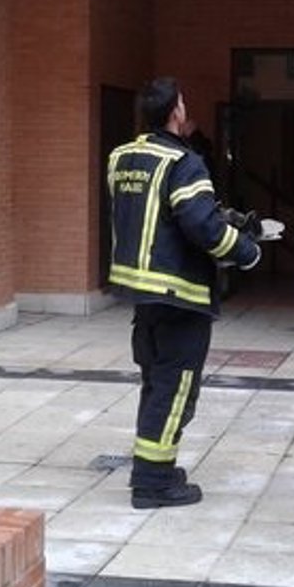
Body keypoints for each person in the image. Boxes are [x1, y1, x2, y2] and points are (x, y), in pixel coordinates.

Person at [107, 77, 262, 509]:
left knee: (155, 383)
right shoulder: (184, 161)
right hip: (180, 293)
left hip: (141, 293)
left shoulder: (121, 158)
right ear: (176, 112)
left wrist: (221, 216)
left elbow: (157, 213)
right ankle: (153, 483)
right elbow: (201, 228)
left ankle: (154, 467)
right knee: (176, 389)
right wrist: (246, 251)